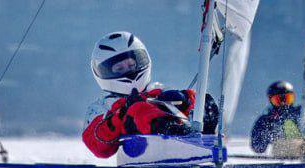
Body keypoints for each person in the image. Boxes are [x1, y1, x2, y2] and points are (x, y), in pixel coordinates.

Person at [82, 31, 217, 158]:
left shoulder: (157, 89)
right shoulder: (101, 106)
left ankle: (205, 135)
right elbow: (97, 145)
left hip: (179, 133)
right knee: (138, 108)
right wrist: (122, 113)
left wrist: (184, 99)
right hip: (138, 146)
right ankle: (171, 131)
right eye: (119, 69)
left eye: (131, 65)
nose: (129, 71)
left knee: (196, 99)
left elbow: (182, 100)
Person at [250, 81, 305, 155]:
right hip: (282, 155)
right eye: (278, 100)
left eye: (287, 99)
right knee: (287, 124)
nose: (284, 105)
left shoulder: (302, 112)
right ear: (271, 101)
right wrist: (266, 131)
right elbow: (257, 148)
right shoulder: (266, 120)